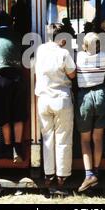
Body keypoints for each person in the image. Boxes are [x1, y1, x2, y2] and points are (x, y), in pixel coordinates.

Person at [35, 23, 76, 195]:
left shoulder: (40, 50)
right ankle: (62, 178)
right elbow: (72, 74)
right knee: (63, 138)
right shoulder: (64, 53)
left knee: (47, 138)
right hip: (61, 98)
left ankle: (48, 175)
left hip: (43, 99)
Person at [75, 32, 105, 192]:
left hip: (84, 97)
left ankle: (89, 174)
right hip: (101, 95)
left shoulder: (78, 57)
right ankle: (96, 172)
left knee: (85, 140)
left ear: (84, 45)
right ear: (99, 45)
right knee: (98, 138)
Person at [0, 12, 26, 163]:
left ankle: (7, 148)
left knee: (4, 116)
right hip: (17, 77)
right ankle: (18, 148)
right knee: (18, 114)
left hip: (1, 79)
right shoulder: (17, 34)